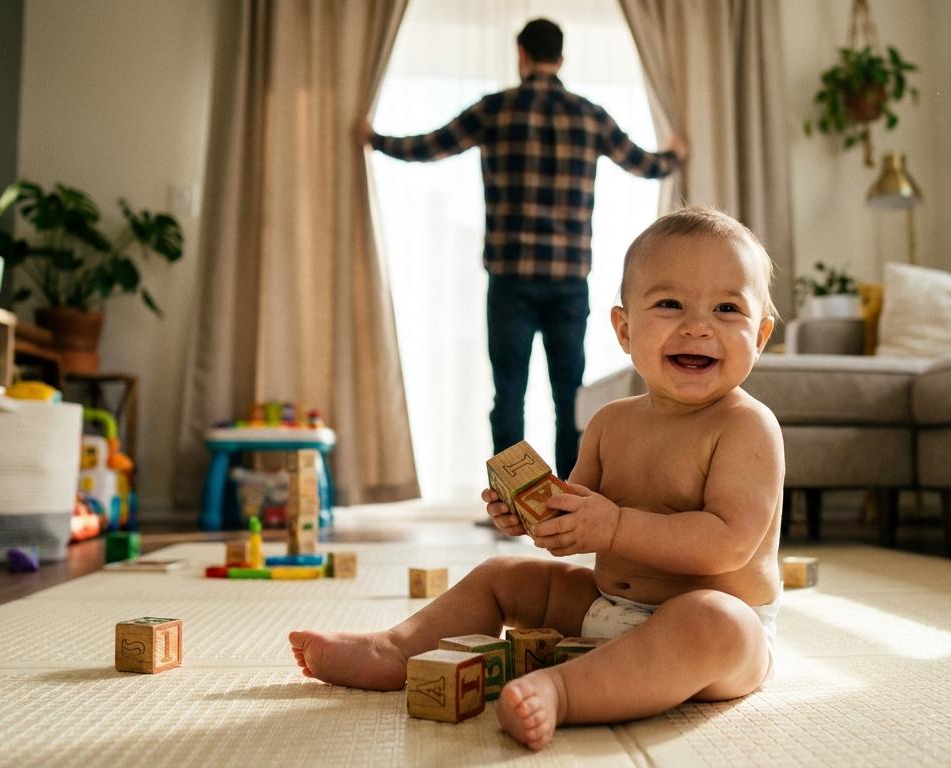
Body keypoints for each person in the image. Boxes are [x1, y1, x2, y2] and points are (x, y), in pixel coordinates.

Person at [290, 206, 784, 751]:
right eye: (669, 304)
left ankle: (562, 692)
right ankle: (394, 649)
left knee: (712, 618)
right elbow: (577, 519)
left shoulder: (746, 427)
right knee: (504, 574)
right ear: (624, 329)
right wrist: (533, 517)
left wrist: (614, 527)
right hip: (606, 608)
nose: (698, 325)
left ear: (759, 335)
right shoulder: (609, 423)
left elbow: (727, 545)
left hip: (717, 638)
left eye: (727, 308)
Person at [356, 17, 686, 478]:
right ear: (561, 58)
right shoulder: (589, 115)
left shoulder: (496, 109)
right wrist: (675, 154)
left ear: (522, 55)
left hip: (510, 279)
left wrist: (373, 139)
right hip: (569, 280)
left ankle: (514, 502)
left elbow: (428, 146)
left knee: (508, 392)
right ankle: (573, 498)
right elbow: (645, 165)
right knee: (568, 392)